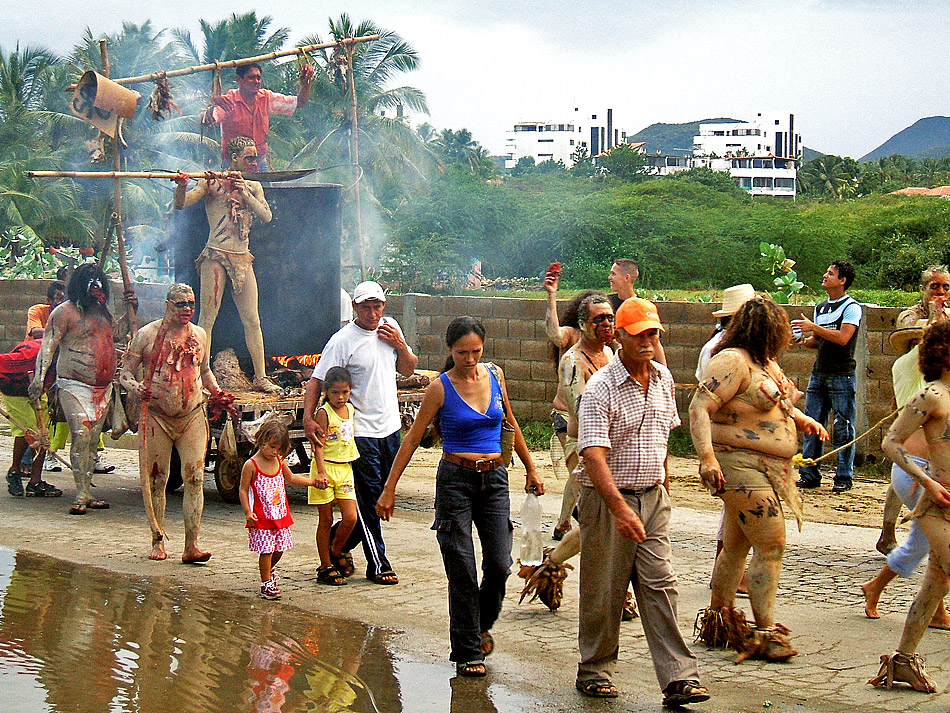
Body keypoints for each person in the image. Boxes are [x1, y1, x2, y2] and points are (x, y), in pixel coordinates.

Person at [376, 316, 544, 677]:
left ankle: (479, 624)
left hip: (495, 480)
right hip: (455, 481)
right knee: (462, 569)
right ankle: (468, 651)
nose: (469, 359)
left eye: (476, 352)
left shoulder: (495, 377)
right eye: (461, 353)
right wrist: (389, 489)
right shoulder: (439, 388)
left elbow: (509, 424)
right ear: (449, 351)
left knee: (499, 563)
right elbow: (411, 439)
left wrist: (531, 469)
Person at [574, 297, 709, 707]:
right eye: (641, 335)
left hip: (653, 498)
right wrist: (618, 509)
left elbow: (664, 435)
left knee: (660, 585)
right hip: (607, 500)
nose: (649, 341)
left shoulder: (664, 379)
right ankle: (594, 669)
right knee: (605, 588)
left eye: (654, 333)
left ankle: (679, 678)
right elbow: (593, 453)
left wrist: (663, 486)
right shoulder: (601, 388)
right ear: (620, 336)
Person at [690, 296, 828, 662]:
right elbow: (699, 408)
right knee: (772, 543)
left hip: (768, 468)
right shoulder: (731, 361)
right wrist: (707, 459)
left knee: (737, 546)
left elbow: (778, 404)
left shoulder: (766, 365)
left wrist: (802, 419)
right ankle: (765, 632)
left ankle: (719, 621)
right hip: (738, 463)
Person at [304, 281, 417, 585]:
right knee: (369, 501)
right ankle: (378, 562)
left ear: (384, 306)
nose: (372, 313)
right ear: (354, 307)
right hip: (360, 432)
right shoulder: (343, 340)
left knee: (381, 497)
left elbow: (408, 369)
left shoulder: (390, 328)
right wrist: (308, 418)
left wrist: (400, 345)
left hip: (391, 429)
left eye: (377, 306)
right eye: (365, 307)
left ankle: (337, 544)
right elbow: (317, 380)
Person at [119, 283, 224, 563]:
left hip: (191, 415)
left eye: (191, 303)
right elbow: (124, 374)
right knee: (158, 479)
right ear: (168, 305)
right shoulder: (147, 335)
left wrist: (217, 393)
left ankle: (192, 546)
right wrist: (137, 388)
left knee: (195, 477)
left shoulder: (200, 334)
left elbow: (205, 370)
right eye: (181, 304)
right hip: (157, 416)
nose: (187, 309)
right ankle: (158, 540)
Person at [872, 320, 950, 693]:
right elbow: (891, 442)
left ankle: (903, 661)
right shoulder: (931, 396)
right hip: (937, 504)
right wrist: (927, 482)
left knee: (935, 585)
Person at [173, 136, 279, 393]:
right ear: (234, 158)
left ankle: (261, 376)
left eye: (256, 157)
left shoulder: (253, 187)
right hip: (216, 256)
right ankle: (202, 375)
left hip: (243, 257)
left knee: (252, 320)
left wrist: (244, 193)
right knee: (208, 318)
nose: (254, 162)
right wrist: (181, 186)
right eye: (249, 158)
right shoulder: (212, 182)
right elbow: (181, 203)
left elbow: (266, 216)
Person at [29, 264, 120, 515]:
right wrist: (39, 380)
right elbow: (47, 346)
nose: (96, 287)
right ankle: (80, 494)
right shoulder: (64, 312)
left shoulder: (105, 313)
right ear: (80, 284)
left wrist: (131, 309)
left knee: (91, 442)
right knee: (81, 434)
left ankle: (88, 493)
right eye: (90, 282)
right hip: (74, 384)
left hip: (103, 387)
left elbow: (119, 335)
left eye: (99, 282)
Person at [877, 265, 950, 554]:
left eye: (944, 286)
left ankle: (895, 534)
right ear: (924, 289)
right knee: (910, 458)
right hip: (916, 383)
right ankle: (894, 532)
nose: (940, 292)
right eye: (934, 286)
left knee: (913, 463)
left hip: (940, 390)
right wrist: (935, 314)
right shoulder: (910, 314)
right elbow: (923, 340)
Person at [697, 284, 756, 594]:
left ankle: (730, 573)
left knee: (733, 510)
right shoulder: (721, 351)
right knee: (733, 508)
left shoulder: (739, 349)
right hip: (729, 440)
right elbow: (705, 398)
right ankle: (727, 574)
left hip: (739, 439)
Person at [792, 259, 863, 493]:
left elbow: (843, 338)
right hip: (819, 373)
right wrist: (802, 340)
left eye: (830, 273)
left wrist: (813, 327)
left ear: (842, 281)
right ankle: (809, 474)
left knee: (843, 426)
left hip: (842, 375)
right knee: (812, 423)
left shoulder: (851, 307)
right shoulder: (821, 308)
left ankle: (844, 476)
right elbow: (818, 342)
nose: (825, 275)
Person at [241, 418, 321, 600]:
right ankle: (266, 583)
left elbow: (291, 478)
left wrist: (312, 482)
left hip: (280, 515)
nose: (273, 451)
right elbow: (243, 489)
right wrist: (247, 511)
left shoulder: (279, 461)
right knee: (266, 550)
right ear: (260, 441)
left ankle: (269, 570)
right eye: (270, 446)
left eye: (278, 448)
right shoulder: (251, 465)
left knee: (279, 548)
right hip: (261, 517)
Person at [204, 61, 314, 171]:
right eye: (251, 77)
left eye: (258, 78)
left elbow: (300, 102)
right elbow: (208, 120)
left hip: (259, 163)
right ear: (239, 79)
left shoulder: (266, 98)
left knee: (265, 188)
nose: (256, 82)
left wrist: (306, 81)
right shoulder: (229, 100)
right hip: (233, 164)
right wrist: (213, 101)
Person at [309, 367, 359, 586]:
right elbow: (318, 445)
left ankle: (335, 550)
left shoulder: (350, 409)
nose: (340, 397)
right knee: (326, 519)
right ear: (327, 392)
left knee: (351, 518)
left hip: (345, 469)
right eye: (335, 393)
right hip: (326, 468)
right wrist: (321, 471)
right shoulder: (324, 412)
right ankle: (325, 565)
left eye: (345, 392)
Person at [1, 338, 60, 498]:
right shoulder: (30, 354)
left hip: (38, 390)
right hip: (15, 389)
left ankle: (35, 482)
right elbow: (2, 363)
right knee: (29, 432)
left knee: (43, 435)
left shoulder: (63, 358)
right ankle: (14, 471)